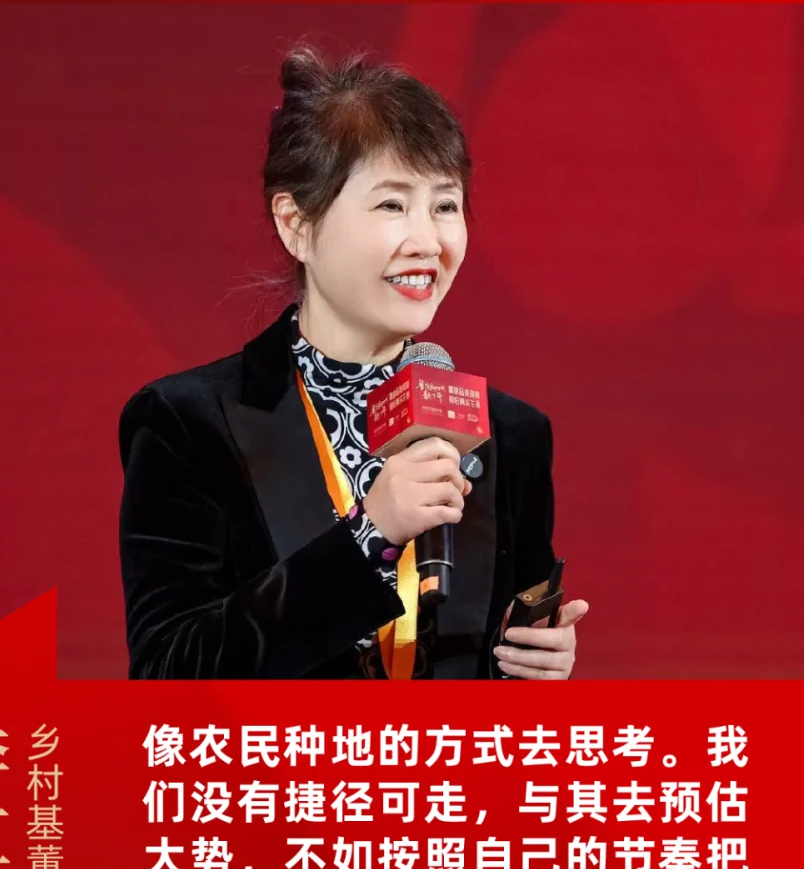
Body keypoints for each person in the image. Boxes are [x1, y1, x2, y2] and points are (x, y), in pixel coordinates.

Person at [118, 45, 588, 680]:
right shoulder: (188, 425)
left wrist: (530, 669)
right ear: (296, 224)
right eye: (392, 204)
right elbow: (167, 673)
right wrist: (371, 535)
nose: (428, 241)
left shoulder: (510, 435)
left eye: (445, 205)